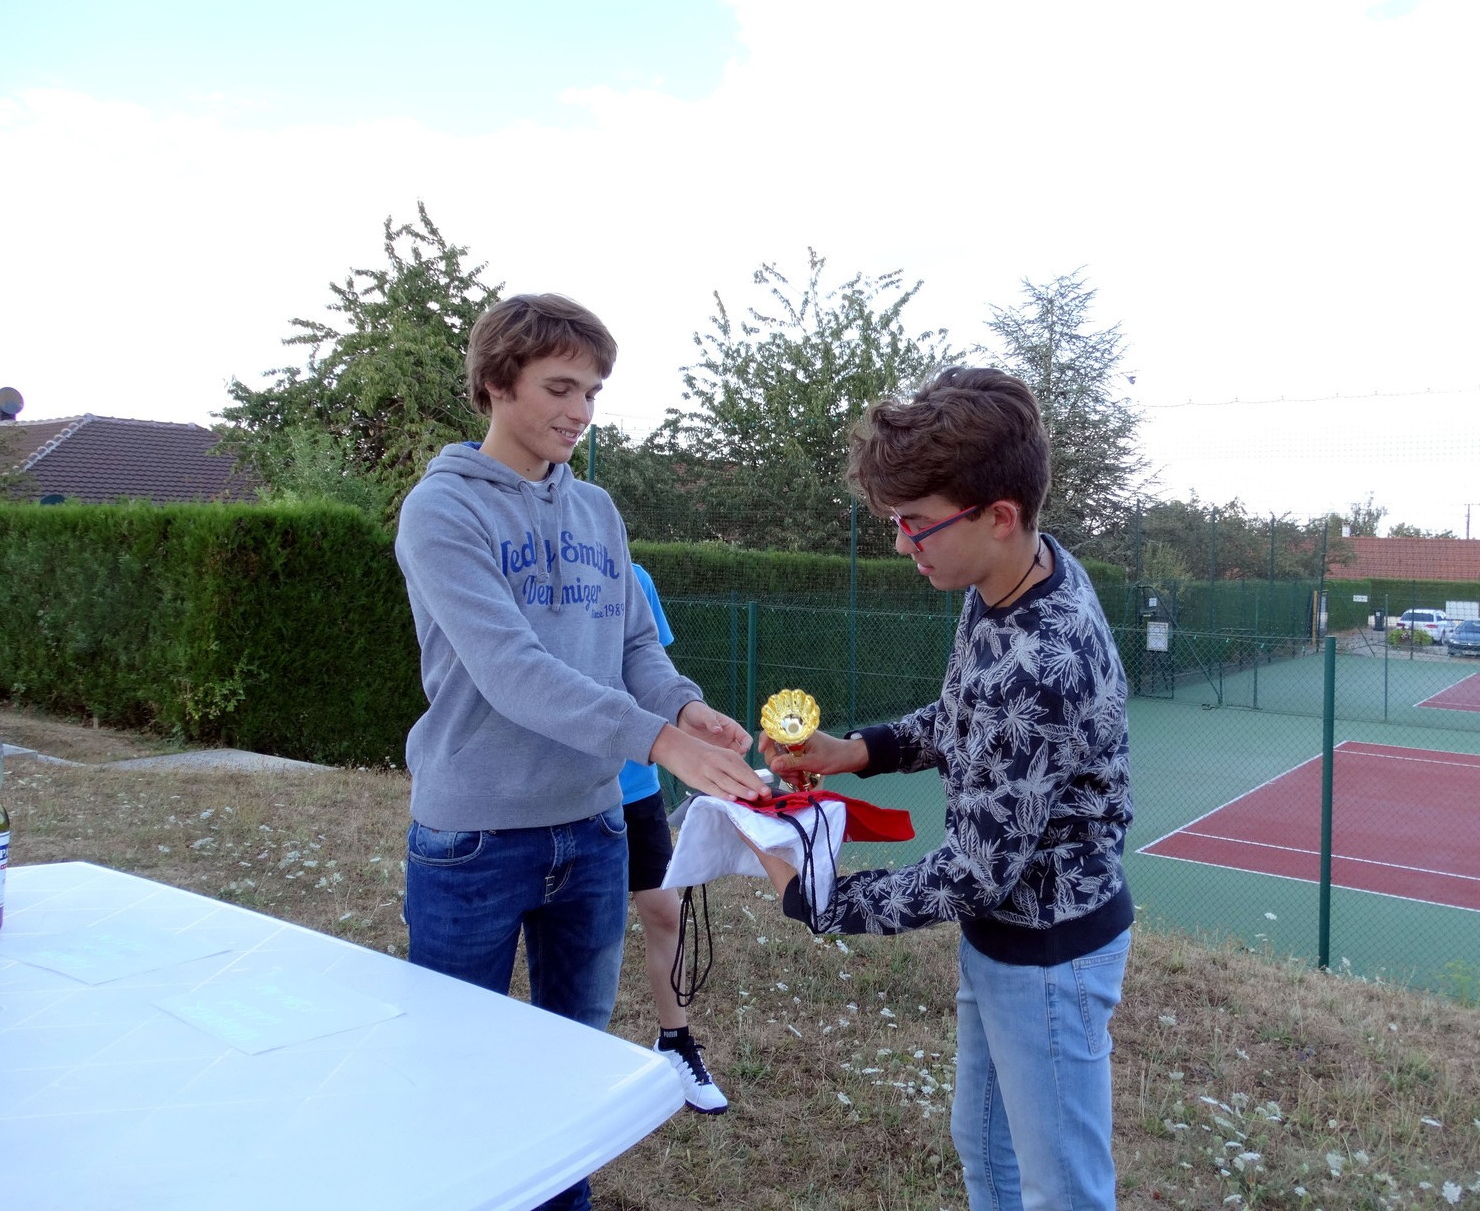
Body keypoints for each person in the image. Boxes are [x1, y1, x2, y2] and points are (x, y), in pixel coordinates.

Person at [394, 292, 768, 1211]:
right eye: (560, 387)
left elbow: (637, 649)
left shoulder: (597, 508)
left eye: (594, 391)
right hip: (475, 838)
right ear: (495, 384)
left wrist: (689, 708)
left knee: (571, 1063)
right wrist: (659, 742)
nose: (580, 411)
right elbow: (512, 671)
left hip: (593, 831)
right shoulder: (442, 511)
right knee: (456, 1064)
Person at [748, 366, 1134, 1211]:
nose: (900, 545)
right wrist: (856, 750)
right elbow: (966, 713)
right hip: (1003, 939)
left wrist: (818, 899)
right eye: (896, 521)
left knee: (1061, 1189)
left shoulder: (1042, 659)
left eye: (917, 525)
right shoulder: (1010, 577)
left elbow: (973, 872)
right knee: (985, 1146)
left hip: (1050, 956)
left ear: (999, 516)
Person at [619, 562, 729, 1113]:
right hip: (556, 795)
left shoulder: (633, 577)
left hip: (634, 785)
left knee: (665, 912)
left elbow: (650, 665)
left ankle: (675, 1041)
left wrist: (691, 717)